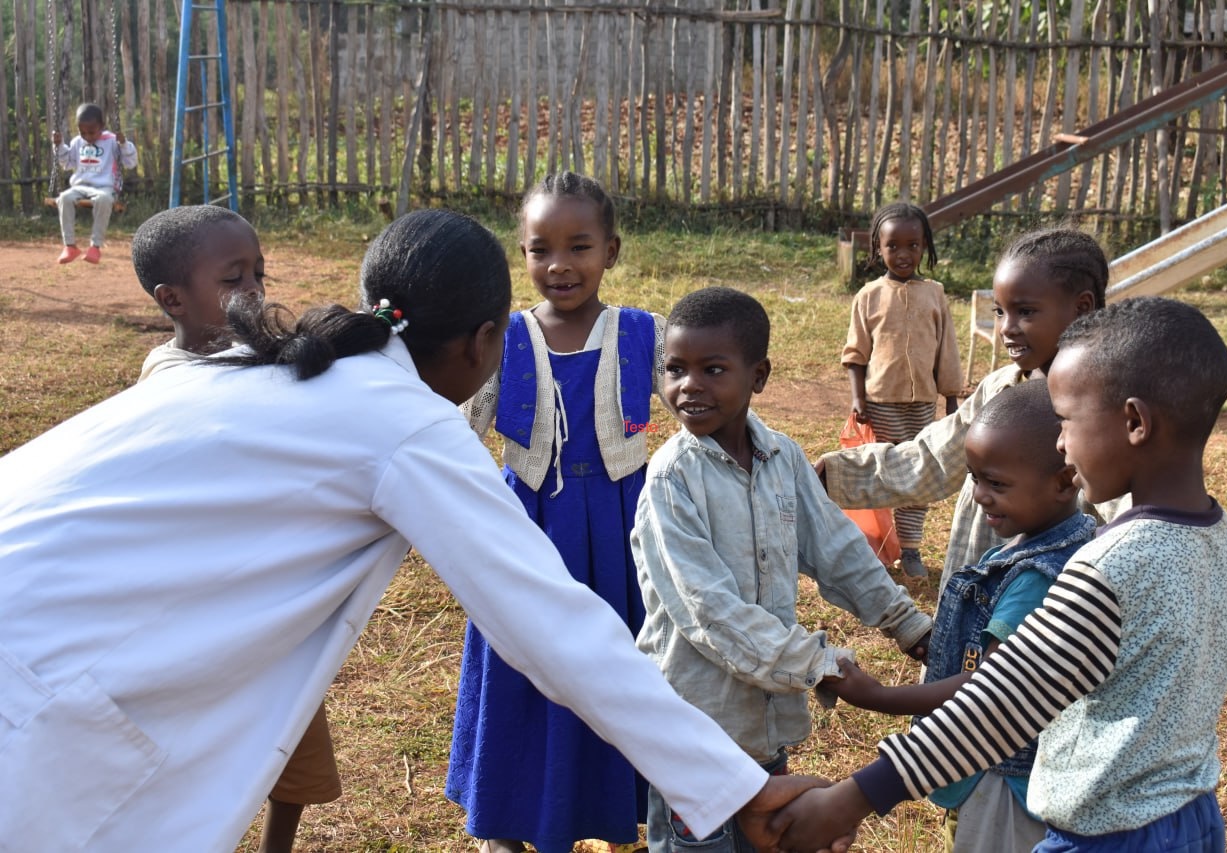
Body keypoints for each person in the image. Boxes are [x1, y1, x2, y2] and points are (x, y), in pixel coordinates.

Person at [0, 209, 826, 851]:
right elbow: (555, 627)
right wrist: (738, 787)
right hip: (34, 682)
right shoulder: (401, 422)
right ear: (485, 341)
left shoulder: (262, 363)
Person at [776, 297, 1227, 853]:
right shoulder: (1220, 535)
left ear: (1135, 423)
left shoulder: (1111, 566)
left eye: (1067, 423)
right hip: (1191, 818)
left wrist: (852, 797)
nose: (1062, 444)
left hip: (1108, 835)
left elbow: (999, 705)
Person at [632, 286, 933, 853]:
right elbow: (710, 614)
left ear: (759, 376)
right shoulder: (670, 479)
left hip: (762, 729)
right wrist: (820, 666)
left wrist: (911, 628)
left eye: (713, 369)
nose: (688, 385)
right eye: (674, 369)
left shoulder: (784, 458)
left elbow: (838, 550)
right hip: (695, 733)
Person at [444, 172, 660, 853]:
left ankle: (622, 805)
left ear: (612, 251)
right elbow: (451, 431)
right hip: (528, 536)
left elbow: (703, 400)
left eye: (580, 246)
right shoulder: (502, 339)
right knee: (522, 664)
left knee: (621, 664)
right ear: (523, 252)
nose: (560, 265)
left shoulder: (642, 334)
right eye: (541, 249)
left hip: (624, 538)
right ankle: (507, 818)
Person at [132, 204, 340, 853]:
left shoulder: (262, 361)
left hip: (270, 595)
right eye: (233, 278)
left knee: (293, 728)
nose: (254, 290)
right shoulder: (166, 379)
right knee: (195, 741)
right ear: (173, 299)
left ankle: (277, 844)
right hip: (197, 600)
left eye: (258, 272)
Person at [822, 379, 1094, 853]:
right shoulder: (1076, 541)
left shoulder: (1034, 579)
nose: (980, 495)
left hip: (1006, 784)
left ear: (1064, 479)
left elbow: (987, 692)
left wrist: (877, 695)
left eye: (997, 483)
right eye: (975, 477)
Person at [818, 227, 1112, 594]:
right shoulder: (1000, 389)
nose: (1007, 329)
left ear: (1082, 307)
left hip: (1054, 612)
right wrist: (832, 476)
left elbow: (1131, 522)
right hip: (977, 595)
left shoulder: (1104, 415)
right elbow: (930, 459)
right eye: (1001, 312)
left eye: (1026, 312)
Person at [842, 202, 964, 578]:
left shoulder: (935, 294)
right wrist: (858, 399)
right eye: (893, 246)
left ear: (924, 247)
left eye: (913, 245)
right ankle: (874, 549)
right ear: (877, 249)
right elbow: (855, 354)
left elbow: (948, 350)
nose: (903, 254)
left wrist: (952, 400)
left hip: (922, 405)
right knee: (881, 473)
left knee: (918, 475)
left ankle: (910, 550)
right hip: (880, 403)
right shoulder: (869, 296)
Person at [50, 102, 137, 265]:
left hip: (105, 187)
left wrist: (124, 144)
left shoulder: (113, 141)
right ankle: (70, 246)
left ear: (102, 126)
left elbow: (131, 162)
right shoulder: (77, 142)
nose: (88, 137)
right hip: (80, 186)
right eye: (83, 132)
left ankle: (95, 247)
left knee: (104, 199)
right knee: (63, 198)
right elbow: (66, 163)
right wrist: (59, 145)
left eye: (91, 132)